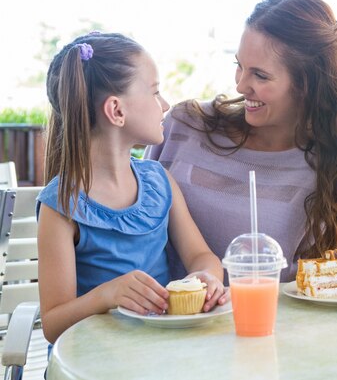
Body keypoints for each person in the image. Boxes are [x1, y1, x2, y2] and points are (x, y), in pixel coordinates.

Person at [145, 0, 337, 283]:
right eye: (239, 65)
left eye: (260, 76)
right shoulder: (184, 126)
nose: (240, 85)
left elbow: (308, 275)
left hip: (266, 324)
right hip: (163, 321)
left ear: (307, 84)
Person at [37, 33, 227, 344]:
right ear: (116, 111)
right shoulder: (61, 205)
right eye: (155, 93)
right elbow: (53, 324)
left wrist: (205, 278)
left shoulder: (160, 181)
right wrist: (107, 295)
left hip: (158, 352)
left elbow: (202, 256)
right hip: (92, 362)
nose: (164, 105)